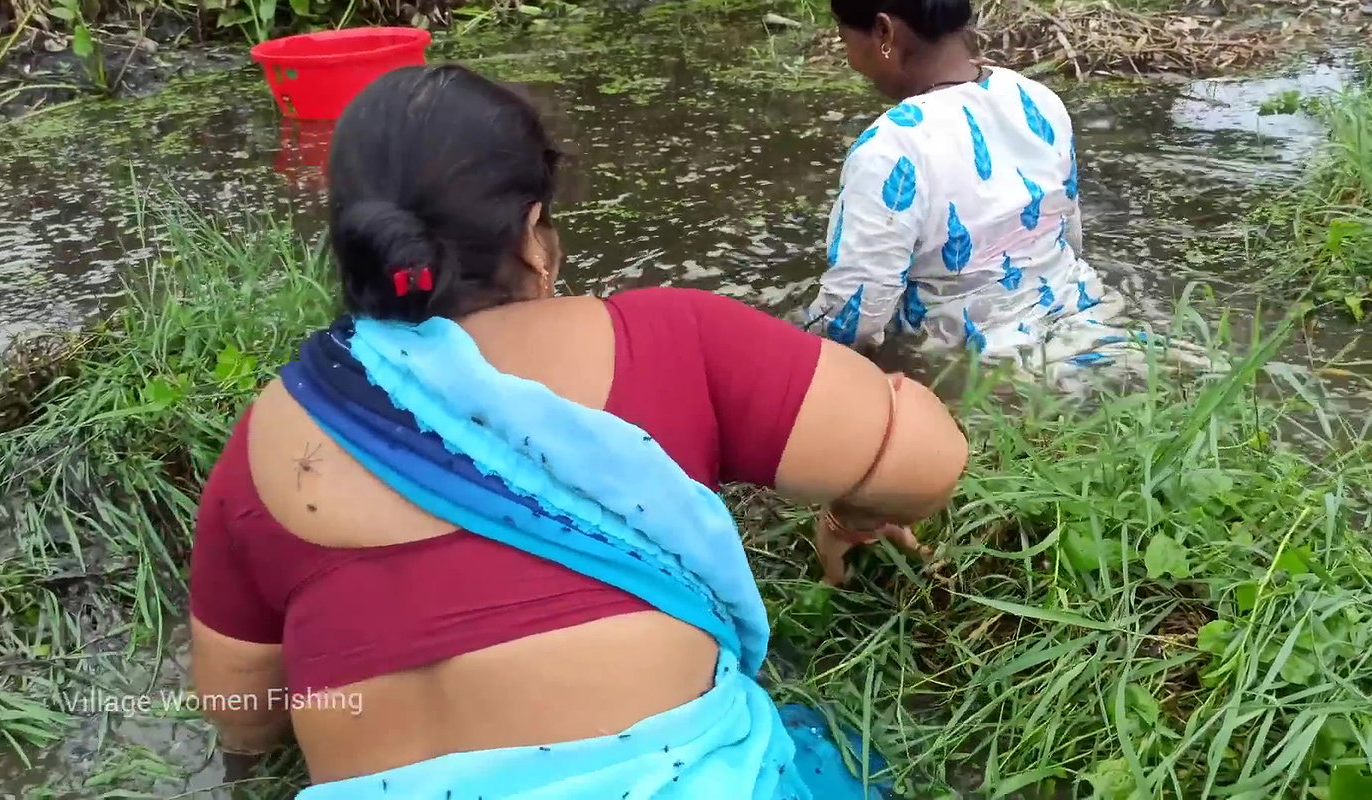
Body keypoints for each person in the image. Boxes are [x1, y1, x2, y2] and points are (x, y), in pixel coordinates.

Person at [188, 65, 968, 799]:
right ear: (533, 234)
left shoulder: (269, 439)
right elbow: (925, 461)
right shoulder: (662, 342)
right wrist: (852, 517)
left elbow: (242, 715)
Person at [803, 0, 1163, 382]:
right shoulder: (1036, 99)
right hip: (1091, 320)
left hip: (987, 370)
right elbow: (1068, 238)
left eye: (845, 39)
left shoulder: (891, 148)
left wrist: (795, 357)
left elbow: (854, 319)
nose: (850, 60)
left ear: (883, 32)